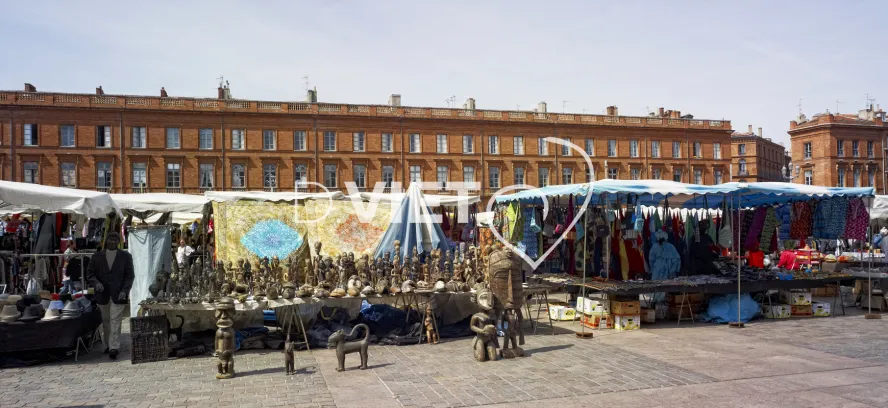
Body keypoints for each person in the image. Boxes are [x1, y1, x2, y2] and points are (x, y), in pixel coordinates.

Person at [87, 232, 133, 359]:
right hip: (103, 294)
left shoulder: (126, 256)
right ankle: (107, 344)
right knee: (106, 321)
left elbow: (129, 276)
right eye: (110, 240)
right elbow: (90, 274)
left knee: (115, 320)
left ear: (119, 242)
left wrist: (125, 290)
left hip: (119, 294)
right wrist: (96, 283)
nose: (112, 242)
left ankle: (114, 347)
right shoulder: (96, 257)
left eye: (115, 240)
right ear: (105, 241)